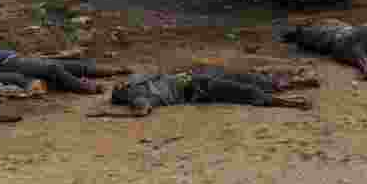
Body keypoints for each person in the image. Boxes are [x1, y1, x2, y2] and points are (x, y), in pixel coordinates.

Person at [97, 66, 318, 117]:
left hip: (196, 77)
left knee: (247, 78)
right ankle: (290, 102)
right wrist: (124, 111)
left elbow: (150, 72)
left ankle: (291, 85)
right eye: (119, 88)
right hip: (196, 88)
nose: (120, 84)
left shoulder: (137, 83)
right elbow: (142, 111)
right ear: (121, 95)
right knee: (243, 89)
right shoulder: (136, 96)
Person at [0, 43, 131, 94]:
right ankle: (88, 88)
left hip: (16, 59)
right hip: (10, 65)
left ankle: (113, 70)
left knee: (72, 65)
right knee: (53, 68)